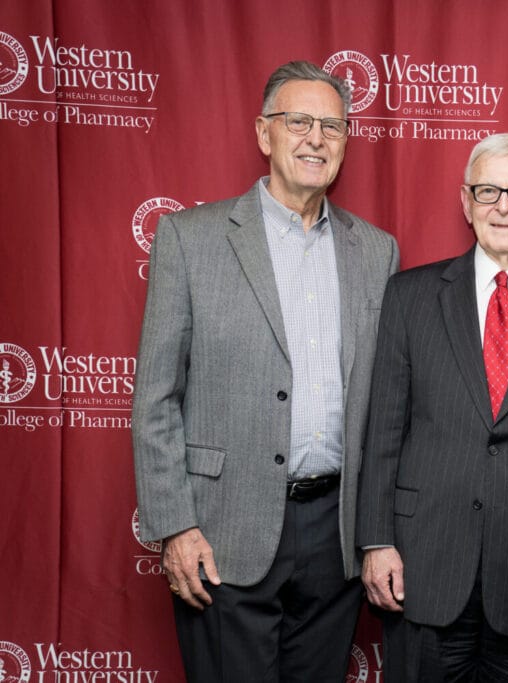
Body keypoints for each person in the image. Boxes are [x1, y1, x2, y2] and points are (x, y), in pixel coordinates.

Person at [132, 60, 398, 681]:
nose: (316, 138)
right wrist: (176, 526)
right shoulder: (189, 238)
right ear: (263, 133)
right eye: (298, 121)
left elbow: (384, 401)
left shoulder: (377, 251)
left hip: (335, 533)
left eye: (332, 127)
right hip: (223, 533)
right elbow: (155, 398)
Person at [357, 133, 508, 682]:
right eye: (488, 190)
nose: (503, 207)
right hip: (423, 564)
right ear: (465, 202)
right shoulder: (410, 297)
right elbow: (383, 430)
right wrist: (376, 540)